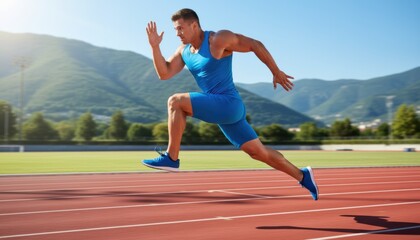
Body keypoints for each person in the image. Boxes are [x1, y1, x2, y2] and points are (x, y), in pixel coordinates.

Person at [142, 8, 319, 200]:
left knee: (175, 102)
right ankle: (303, 176)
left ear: (194, 25)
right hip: (222, 110)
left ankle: (172, 158)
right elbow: (164, 73)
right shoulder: (184, 51)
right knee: (259, 153)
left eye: (180, 28)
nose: (177, 34)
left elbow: (255, 45)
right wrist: (154, 47)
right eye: (175, 30)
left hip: (228, 103)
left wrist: (275, 71)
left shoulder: (218, 39)